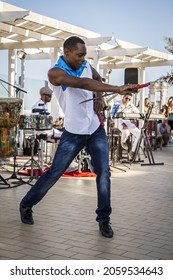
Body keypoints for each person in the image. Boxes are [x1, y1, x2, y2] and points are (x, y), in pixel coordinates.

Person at [19, 36, 137, 238]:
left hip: (94, 128)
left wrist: (100, 98)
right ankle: (26, 204)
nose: (83, 58)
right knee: (54, 173)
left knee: (104, 173)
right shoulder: (55, 72)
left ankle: (104, 220)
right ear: (66, 52)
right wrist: (116, 89)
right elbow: (82, 83)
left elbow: (95, 79)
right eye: (79, 54)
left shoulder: (86, 65)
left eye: (85, 55)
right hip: (73, 132)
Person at [116, 92, 140, 159]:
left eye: (129, 99)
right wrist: (122, 124)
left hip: (128, 122)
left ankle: (132, 151)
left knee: (139, 134)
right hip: (119, 121)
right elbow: (113, 115)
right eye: (126, 98)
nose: (128, 100)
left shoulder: (130, 104)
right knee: (126, 132)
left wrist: (135, 118)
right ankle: (123, 142)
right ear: (123, 96)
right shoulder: (117, 103)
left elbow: (138, 112)